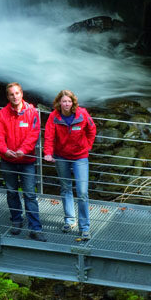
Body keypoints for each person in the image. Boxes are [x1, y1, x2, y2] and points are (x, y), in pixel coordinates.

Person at [0, 82, 45, 241]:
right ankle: (16, 220)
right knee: (11, 191)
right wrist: (4, 150)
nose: (14, 96)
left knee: (29, 194)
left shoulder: (32, 113)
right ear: (7, 96)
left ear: (21, 94)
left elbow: (33, 135)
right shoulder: (2, 114)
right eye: (11, 94)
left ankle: (35, 228)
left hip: (27, 160)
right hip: (8, 159)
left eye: (17, 93)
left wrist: (23, 150)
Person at [44, 89, 97, 238]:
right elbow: (48, 136)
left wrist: (88, 146)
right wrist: (48, 153)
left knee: (82, 192)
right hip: (61, 156)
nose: (66, 104)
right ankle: (69, 220)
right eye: (64, 101)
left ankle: (85, 227)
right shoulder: (54, 117)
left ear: (73, 103)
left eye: (69, 101)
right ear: (59, 102)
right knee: (66, 188)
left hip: (80, 156)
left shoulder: (82, 114)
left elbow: (92, 130)